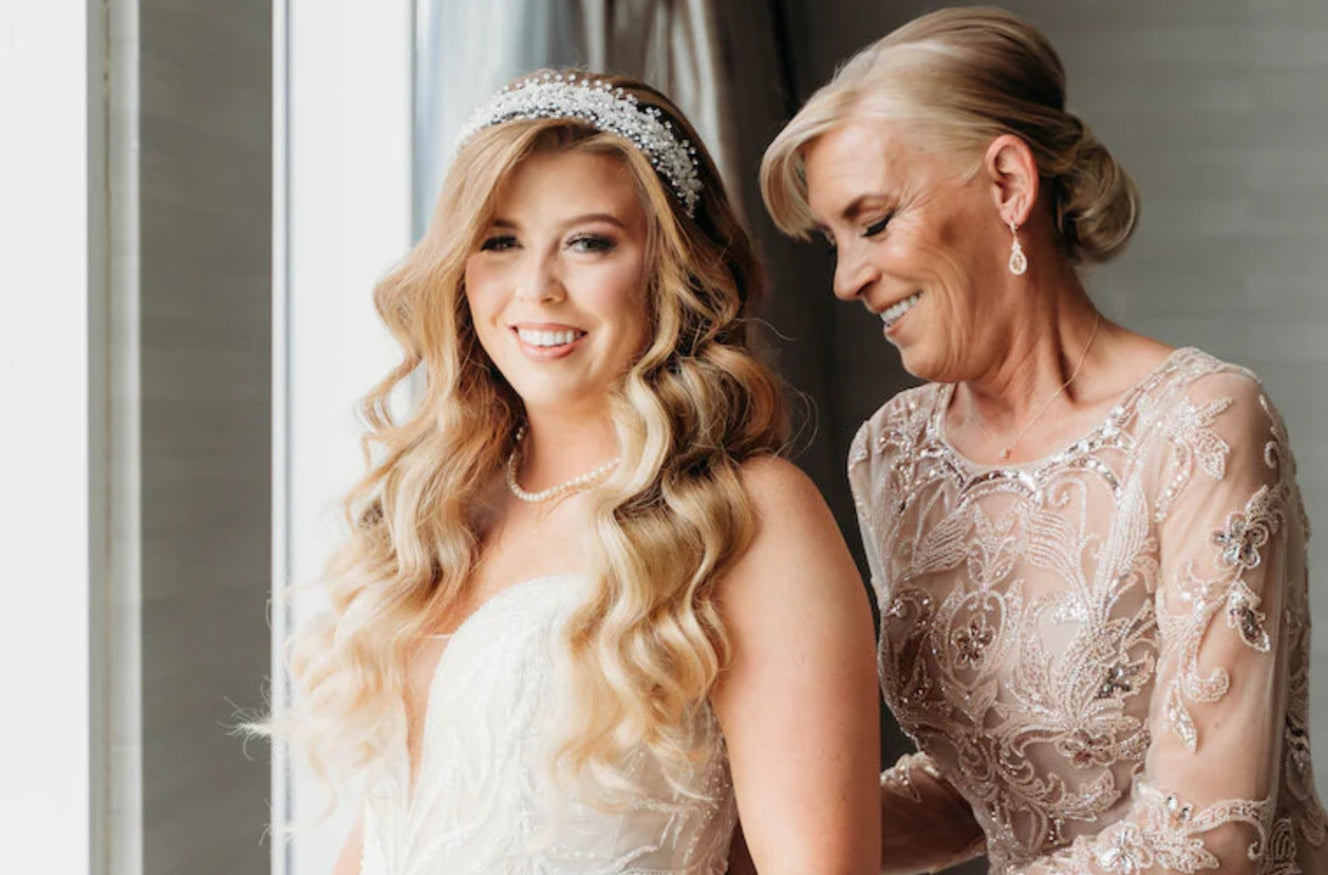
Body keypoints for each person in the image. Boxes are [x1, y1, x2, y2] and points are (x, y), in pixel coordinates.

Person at [760, 7, 1328, 874]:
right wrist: (740, 836)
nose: (848, 279)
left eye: (875, 222)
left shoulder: (1203, 424)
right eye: (834, 242)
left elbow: (1211, 838)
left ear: (1007, 183)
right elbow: (984, 788)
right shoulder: (894, 456)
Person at [268, 71, 881, 874]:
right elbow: (392, 833)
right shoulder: (437, 512)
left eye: (589, 242)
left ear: (672, 268)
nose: (536, 288)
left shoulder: (747, 515)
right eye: (499, 240)